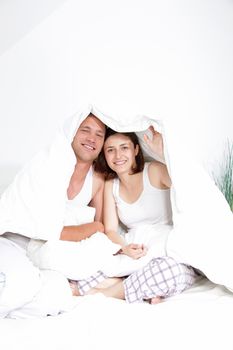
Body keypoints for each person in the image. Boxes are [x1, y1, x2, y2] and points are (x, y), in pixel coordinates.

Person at [70, 126, 199, 303]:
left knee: (169, 272)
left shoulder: (154, 170)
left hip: (168, 249)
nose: (118, 156)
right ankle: (141, 287)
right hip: (135, 249)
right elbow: (111, 231)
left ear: (136, 150)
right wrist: (125, 248)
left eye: (124, 148)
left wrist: (163, 154)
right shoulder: (111, 185)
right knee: (83, 271)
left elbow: (188, 185)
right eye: (110, 150)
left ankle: (103, 293)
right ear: (105, 155)